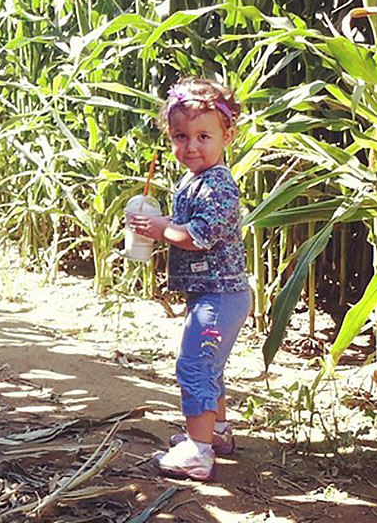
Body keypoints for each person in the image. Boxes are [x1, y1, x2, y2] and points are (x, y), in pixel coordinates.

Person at [127, 76, 251, 481]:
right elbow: (187, 225)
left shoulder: (217, 185)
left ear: (227, 136)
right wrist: (162, 223)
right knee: (209, 366)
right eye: (181, 137)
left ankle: (198, 452)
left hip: (220, 296)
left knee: (195, 365)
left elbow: (200, 235)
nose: (191, 146)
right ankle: (215, 432)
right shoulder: (196, 180)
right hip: (215, 294)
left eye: (203, 136)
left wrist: (161, 228)